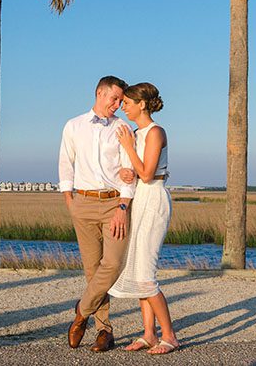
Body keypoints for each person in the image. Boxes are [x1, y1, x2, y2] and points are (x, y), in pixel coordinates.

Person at [58, 75, 136, 352]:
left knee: (113, 264)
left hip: (115, 203)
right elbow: (66, 163)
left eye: (120, 100)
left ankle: (81, 312)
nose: (117, 104)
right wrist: (70, 201)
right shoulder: (73, 125)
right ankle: (105, 331)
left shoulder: (122, 127)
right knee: (92, 269)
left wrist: (124, 207)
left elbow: (129, 172)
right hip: (83, 203)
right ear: (99, 93)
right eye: (114, 98)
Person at [109, 82, 178, 354]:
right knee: (137, 271)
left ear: (142, 104)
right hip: (139, 198)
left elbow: (148, 173)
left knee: (147, 274)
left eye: (127, 102)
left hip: (154, 199)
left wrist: (128, 148)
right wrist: (126, 174)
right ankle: (149, 334)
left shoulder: (154, 132)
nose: (123, 106)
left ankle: (169, 336)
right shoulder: (136, 133)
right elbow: (135, 172)